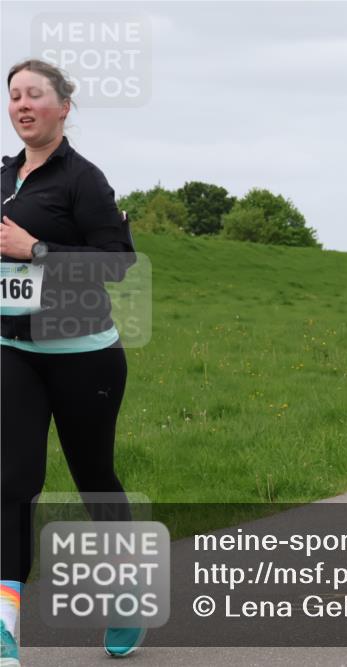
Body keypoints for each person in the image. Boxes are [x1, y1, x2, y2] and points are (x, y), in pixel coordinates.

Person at [1, 60, 142, 662]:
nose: (21, 104)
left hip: (85, 357)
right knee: (12, 482)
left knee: (94, 479)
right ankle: (5, 623)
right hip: (14, 352)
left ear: (63, 106)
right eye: (13, 95)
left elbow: (117, 263)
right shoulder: (3, 176)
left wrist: (35, 249)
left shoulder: (84, 180)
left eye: (34, 94)